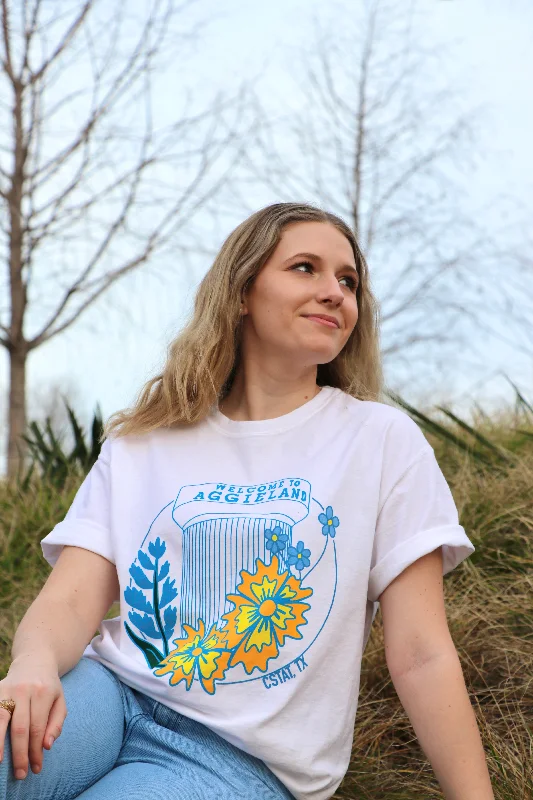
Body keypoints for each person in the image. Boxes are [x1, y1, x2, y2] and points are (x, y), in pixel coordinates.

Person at [0, 202, 491, 800]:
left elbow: (421, 654)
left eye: (348, 280)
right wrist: (32, 664)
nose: (334, 292)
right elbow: (73, 601)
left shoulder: (381, 442)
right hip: (107, 692)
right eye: (305, 268)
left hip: (236, 761)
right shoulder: (144, 441)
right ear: (240, 291)